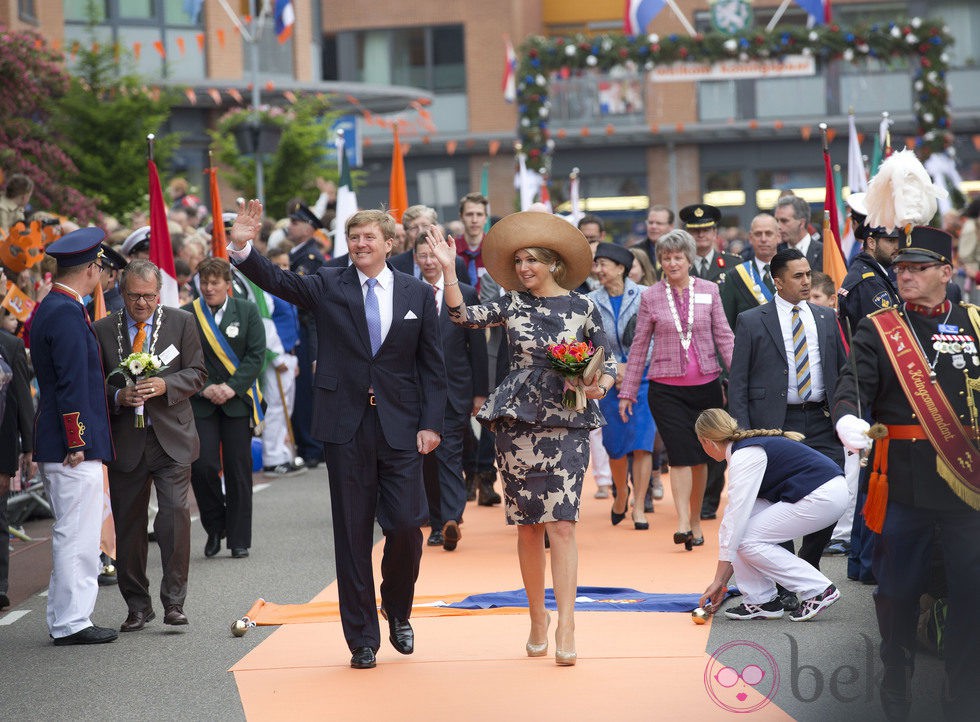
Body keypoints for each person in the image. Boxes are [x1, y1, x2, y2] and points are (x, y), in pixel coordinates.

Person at [228, 202, 447, 671]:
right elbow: (280, 282)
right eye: (354, 237)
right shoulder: (329, 283)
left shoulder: (416, 293)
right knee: (351, 536)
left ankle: (398, 607)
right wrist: (244, 247)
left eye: (370, 237)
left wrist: (431, 423)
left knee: (408, 527)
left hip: (402, 427)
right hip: (344, 426)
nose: (361, 244)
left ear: (391, 244)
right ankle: (362, 638)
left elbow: (432, 366)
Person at [427, 211, 616, 667]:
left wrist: (597, 386)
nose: (525, 267)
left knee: (563, 523)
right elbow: (462, 316)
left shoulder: (584, 306)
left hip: (567, 419)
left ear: (553, 262)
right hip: (517, 422)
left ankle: (567, 622)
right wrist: (450, 271)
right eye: (519, 261)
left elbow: (606, 362)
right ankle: (537, 618)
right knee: (529, 525)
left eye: (533, 259)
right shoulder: (511, 302)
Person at [833, 225, 980, 721]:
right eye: (901, 267)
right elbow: (852, 384)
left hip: (970, 491)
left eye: (919, 267)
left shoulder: (976, 322)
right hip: (905, 486)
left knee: (971, 594)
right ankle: (896, 673)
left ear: (946, 270)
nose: (906, 275)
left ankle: (962, 694)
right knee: (895, 593)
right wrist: (848, 416)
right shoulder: (880, 328)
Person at [94, 260, 207, 631]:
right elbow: (94, 384)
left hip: (171, 437)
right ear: (121, 293)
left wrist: (165, 386)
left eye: (148, 296)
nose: (142, 304)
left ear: (158, 294)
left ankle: (174, 602)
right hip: (126, 441)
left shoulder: (181, 322)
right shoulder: (102, 330)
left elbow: (198, 373)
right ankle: (137, 606)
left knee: (174, 516)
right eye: (134, 296)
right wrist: (118, 396)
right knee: (129, 526)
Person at [619, 229, 734, 551]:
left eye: (678, 257)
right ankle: (683, 521)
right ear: (660, 261)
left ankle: (696, 521)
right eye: (666, 257)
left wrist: (741, 379)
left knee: (702, 460)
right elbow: (639, 346)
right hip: (665, 388)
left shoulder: (709, 290)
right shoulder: (651, 296)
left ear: (689, 259)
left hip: (707, 386)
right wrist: (628, 391)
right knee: (681, 456)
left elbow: (724, 336)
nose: (672, 263)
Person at [30, 228, 117, 645]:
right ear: (92, 269)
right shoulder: (64, 312)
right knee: (77, 535)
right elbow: (68, 383)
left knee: (78, 532)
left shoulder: (61, 307)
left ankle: (70, 617)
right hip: (71, 447)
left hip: (68, 441)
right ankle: (71, 622)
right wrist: (76, 440)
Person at [695, 409, 847, 621]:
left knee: (745, 538)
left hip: (822, 495)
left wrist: (719, 581)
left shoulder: (744, 456)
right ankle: (760, 601)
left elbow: (735, 524)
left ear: (706, 441)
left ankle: (818, 589)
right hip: (827, 492)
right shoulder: (747, 449)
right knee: (740, 534)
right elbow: (732, 525)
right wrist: (721, 581)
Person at [185, 258, 266, 560]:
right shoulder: (187, 314)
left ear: (227, 285)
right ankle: (215, 526)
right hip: (201, 401)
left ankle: (239, 538)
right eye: (204, 283)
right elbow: (181, 360)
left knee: (238, 470)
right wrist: (204, 388)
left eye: (214, 283)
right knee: (202, 466)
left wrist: (232, 387)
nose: (208, 288)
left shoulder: (246, 311)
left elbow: (256, 355)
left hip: (237, 401)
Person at [413, 234, 488, 551]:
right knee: (425, 460)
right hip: (415, 392)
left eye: (433, 255)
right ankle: (434, 519)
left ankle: (451, 520)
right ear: (415, 259)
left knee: (449, 454)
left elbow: (478, 350)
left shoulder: (467, 294)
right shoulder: (408, 291)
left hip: (456, 391)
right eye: (422, 255)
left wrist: (480, 392)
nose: (429, 261)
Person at [679, 202, 741, 522]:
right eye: (694, 231)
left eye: (705, 231)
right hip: (686, 364)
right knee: (687, 435)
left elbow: (739, 319)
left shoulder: (733, 266)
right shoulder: (677, 269)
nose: (700, 236)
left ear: (715, 233)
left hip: (721, 364)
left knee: (717, 432)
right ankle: (692, 495)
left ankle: (709, 499)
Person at [589, 242, 654, 529]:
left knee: (642, 443)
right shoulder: (590, 300)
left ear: (620, 268)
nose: (598, 270)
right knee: (614, 445)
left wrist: (634, 368)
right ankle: (621, 492)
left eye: (603, 264)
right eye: (597, 264)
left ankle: (639, 506)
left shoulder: (645, 296)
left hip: (644, 379)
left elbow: (655, 336)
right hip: (608, 380)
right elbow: (589, 341)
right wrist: (614, 369)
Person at [0, 290, 34, 612]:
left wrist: (29, 448)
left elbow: (24, 398)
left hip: (2, 443)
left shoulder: (10, 345)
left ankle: (0, 586)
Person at [287, 203, 327, 469]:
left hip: (306, 328)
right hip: (299, 327)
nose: (290, 226)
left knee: (305, 392)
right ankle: (308, 444)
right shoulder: (299, 254)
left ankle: (313, 446)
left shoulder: (310, 258)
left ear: (308, 228)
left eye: (295, 222)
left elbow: (302, 297)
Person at [721, 213, 779, 328]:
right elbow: (728, 325)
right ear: (750, 238)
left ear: (779, 236)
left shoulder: (791, 272)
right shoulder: (735, 276)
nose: (763, 239)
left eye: (768, 233)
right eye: (758, 234)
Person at [775, 195, 823, 271]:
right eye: (777, 221)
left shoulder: (824, 253)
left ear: (802, 223)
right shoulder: (774, 252)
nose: (778, 226)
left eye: (784, 221)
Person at [632, 205, 674, 279]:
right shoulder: (634, 252)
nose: (653, 226)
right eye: (650, 223)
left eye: (659, 223)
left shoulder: (680, 250)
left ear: (670, 226)